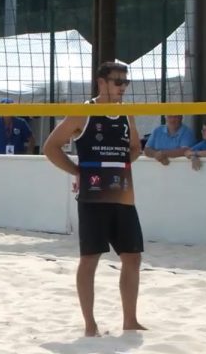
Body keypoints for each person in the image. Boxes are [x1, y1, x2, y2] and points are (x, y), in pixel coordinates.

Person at [43, 62, 146, 337]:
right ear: (101, 83)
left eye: (126, 82)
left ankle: (130, 320)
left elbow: (135, 148)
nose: (122, 87)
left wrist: (121, 162)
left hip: (123, 194)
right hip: (93, 197)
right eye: (117, 81)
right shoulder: (84, 112)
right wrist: (78, 171)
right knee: (90, 259)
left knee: (133, 257)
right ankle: (90, 324)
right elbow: (50, 148)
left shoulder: (127, 114)